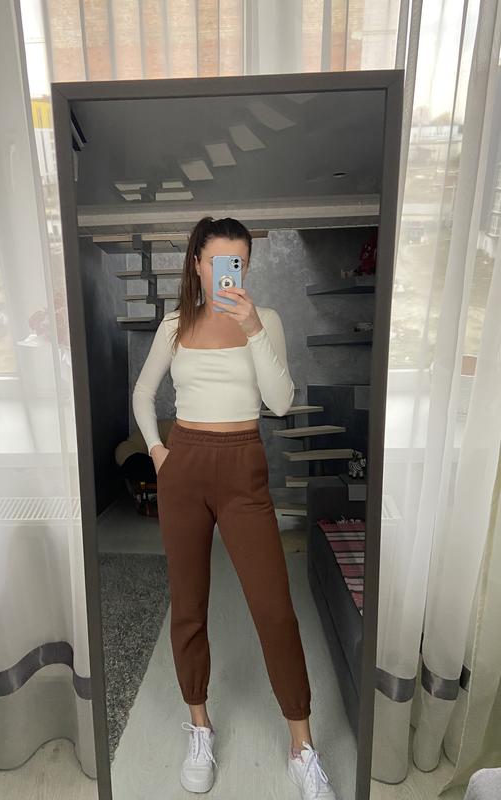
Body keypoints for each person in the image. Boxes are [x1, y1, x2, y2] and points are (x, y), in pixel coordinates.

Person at [132, 216, 337, 799]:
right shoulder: (173, 325)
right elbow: (143, 393)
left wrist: (251, 328)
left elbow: (281, 401)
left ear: (245, 266)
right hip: (185, 465)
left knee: (275, 609)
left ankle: (301, 746)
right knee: (188, 605)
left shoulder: (264, 319)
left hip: (243, 464)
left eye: (239, 263)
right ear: (198, 264)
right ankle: (200, 726)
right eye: (219, 261)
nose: (229, 272)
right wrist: (158, 452)